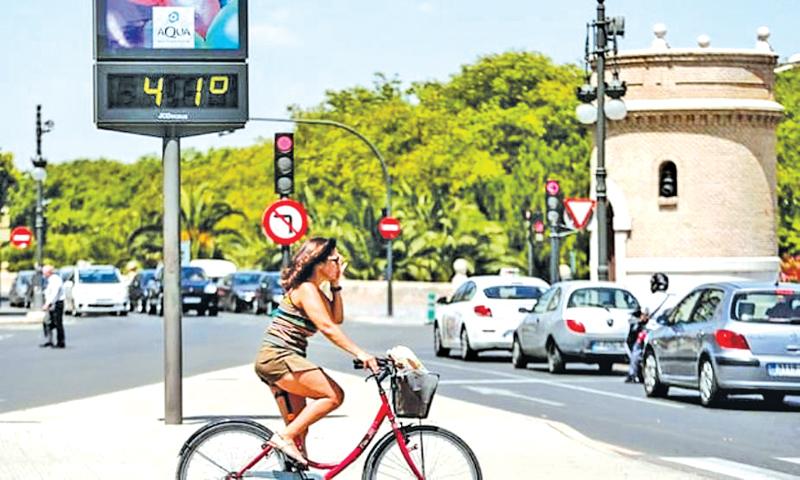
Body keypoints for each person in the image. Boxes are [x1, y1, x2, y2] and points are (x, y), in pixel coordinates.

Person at [254, 238, 379, 466]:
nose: (340, 263)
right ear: (319, 263)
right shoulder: (306, 289)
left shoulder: (316, 291)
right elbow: (328, 327)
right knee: (333, 395)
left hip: (285, 358)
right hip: (279, 357)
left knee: (299, 434)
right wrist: (361, 354)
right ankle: (282, 438)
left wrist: (335, 283)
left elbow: (336, 318)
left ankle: (291, 462)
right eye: (335, 259)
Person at [40, 265, 66, 349]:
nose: (43, 274)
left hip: (57, 303)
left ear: (49, 272)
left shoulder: (55, 279)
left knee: (58, 323)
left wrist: (48, 303)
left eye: (44, 272)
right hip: (52, 303)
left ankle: (60, 342)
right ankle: (49, 340)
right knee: (47, 322)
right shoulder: (49, 280)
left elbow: (54, 293)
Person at [624, 307, 649, 383]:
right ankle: (633, 374)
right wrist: (640, 321)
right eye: (643, 315)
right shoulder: (635, 322)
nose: (644, 317)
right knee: (635, 356)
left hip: (641, 341)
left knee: (637, 356)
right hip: (633, 342)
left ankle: (636, 374)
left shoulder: (648, 323)